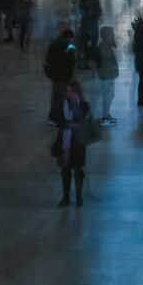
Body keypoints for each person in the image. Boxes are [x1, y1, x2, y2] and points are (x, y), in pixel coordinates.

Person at [53, 79, 90, 207]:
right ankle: (66, 197)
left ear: (77, 92)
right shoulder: (61, 104)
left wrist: (74, 106)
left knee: (78, 169)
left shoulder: (84, 105)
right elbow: (57, 120)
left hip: (78, 142)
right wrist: (69, 125)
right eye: (67, 91)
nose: (68, 94)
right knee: (65, 169)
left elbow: (81, 121)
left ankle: (79, 197)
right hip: (65, 141)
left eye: (71, 91)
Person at [45, 28, 78, 125]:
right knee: (60, 97)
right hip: (64, 75)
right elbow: (72, 61)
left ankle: (53, 117)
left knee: (56, 96)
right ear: (68, 38)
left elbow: (48, 59)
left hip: (55, 75)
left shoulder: (53, 44)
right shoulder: (70, 46)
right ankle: (55, 117)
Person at [94, 25, 120, 126]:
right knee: (107, 95)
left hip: (109, 75)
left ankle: (106, 114)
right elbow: (106, 61)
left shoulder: (106, 45)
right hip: (105, 75)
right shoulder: (103, 46)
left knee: (110, 95)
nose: (113, 35)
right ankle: (104, 116)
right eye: (111, 34)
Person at [79, 0, 102, 66]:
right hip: (85, 24)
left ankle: (92, 58)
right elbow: (81, 10)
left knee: (94, 42)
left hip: (93, 23)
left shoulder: (96, 2)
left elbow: (99, 12)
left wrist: (94, 14)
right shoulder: (83, 1)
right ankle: (86, 59)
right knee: (84, 42)